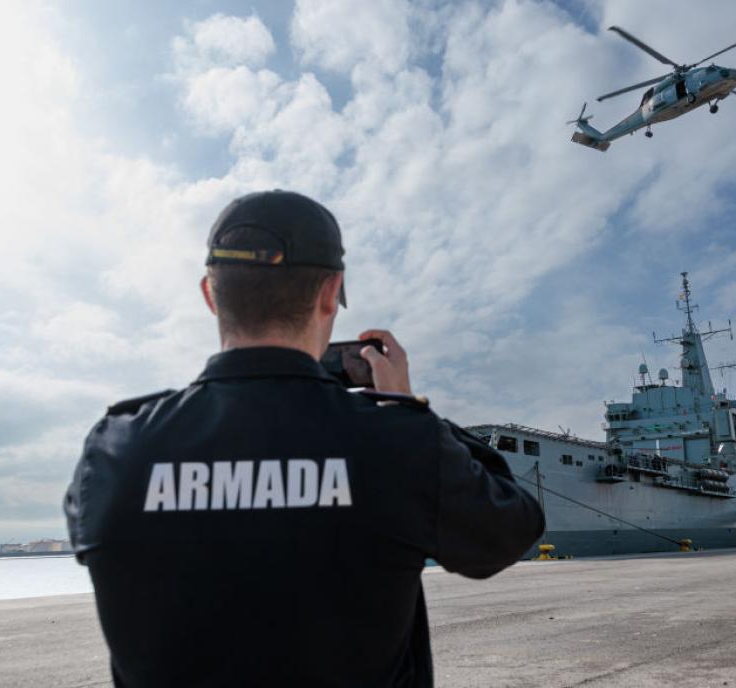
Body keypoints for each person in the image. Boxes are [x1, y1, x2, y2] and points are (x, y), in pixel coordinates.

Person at [64, 189, 544, 687]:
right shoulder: (400, 444)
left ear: (210, 294)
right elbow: (511, 528)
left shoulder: (114, 450)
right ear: (329, 294)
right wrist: (408, 409)